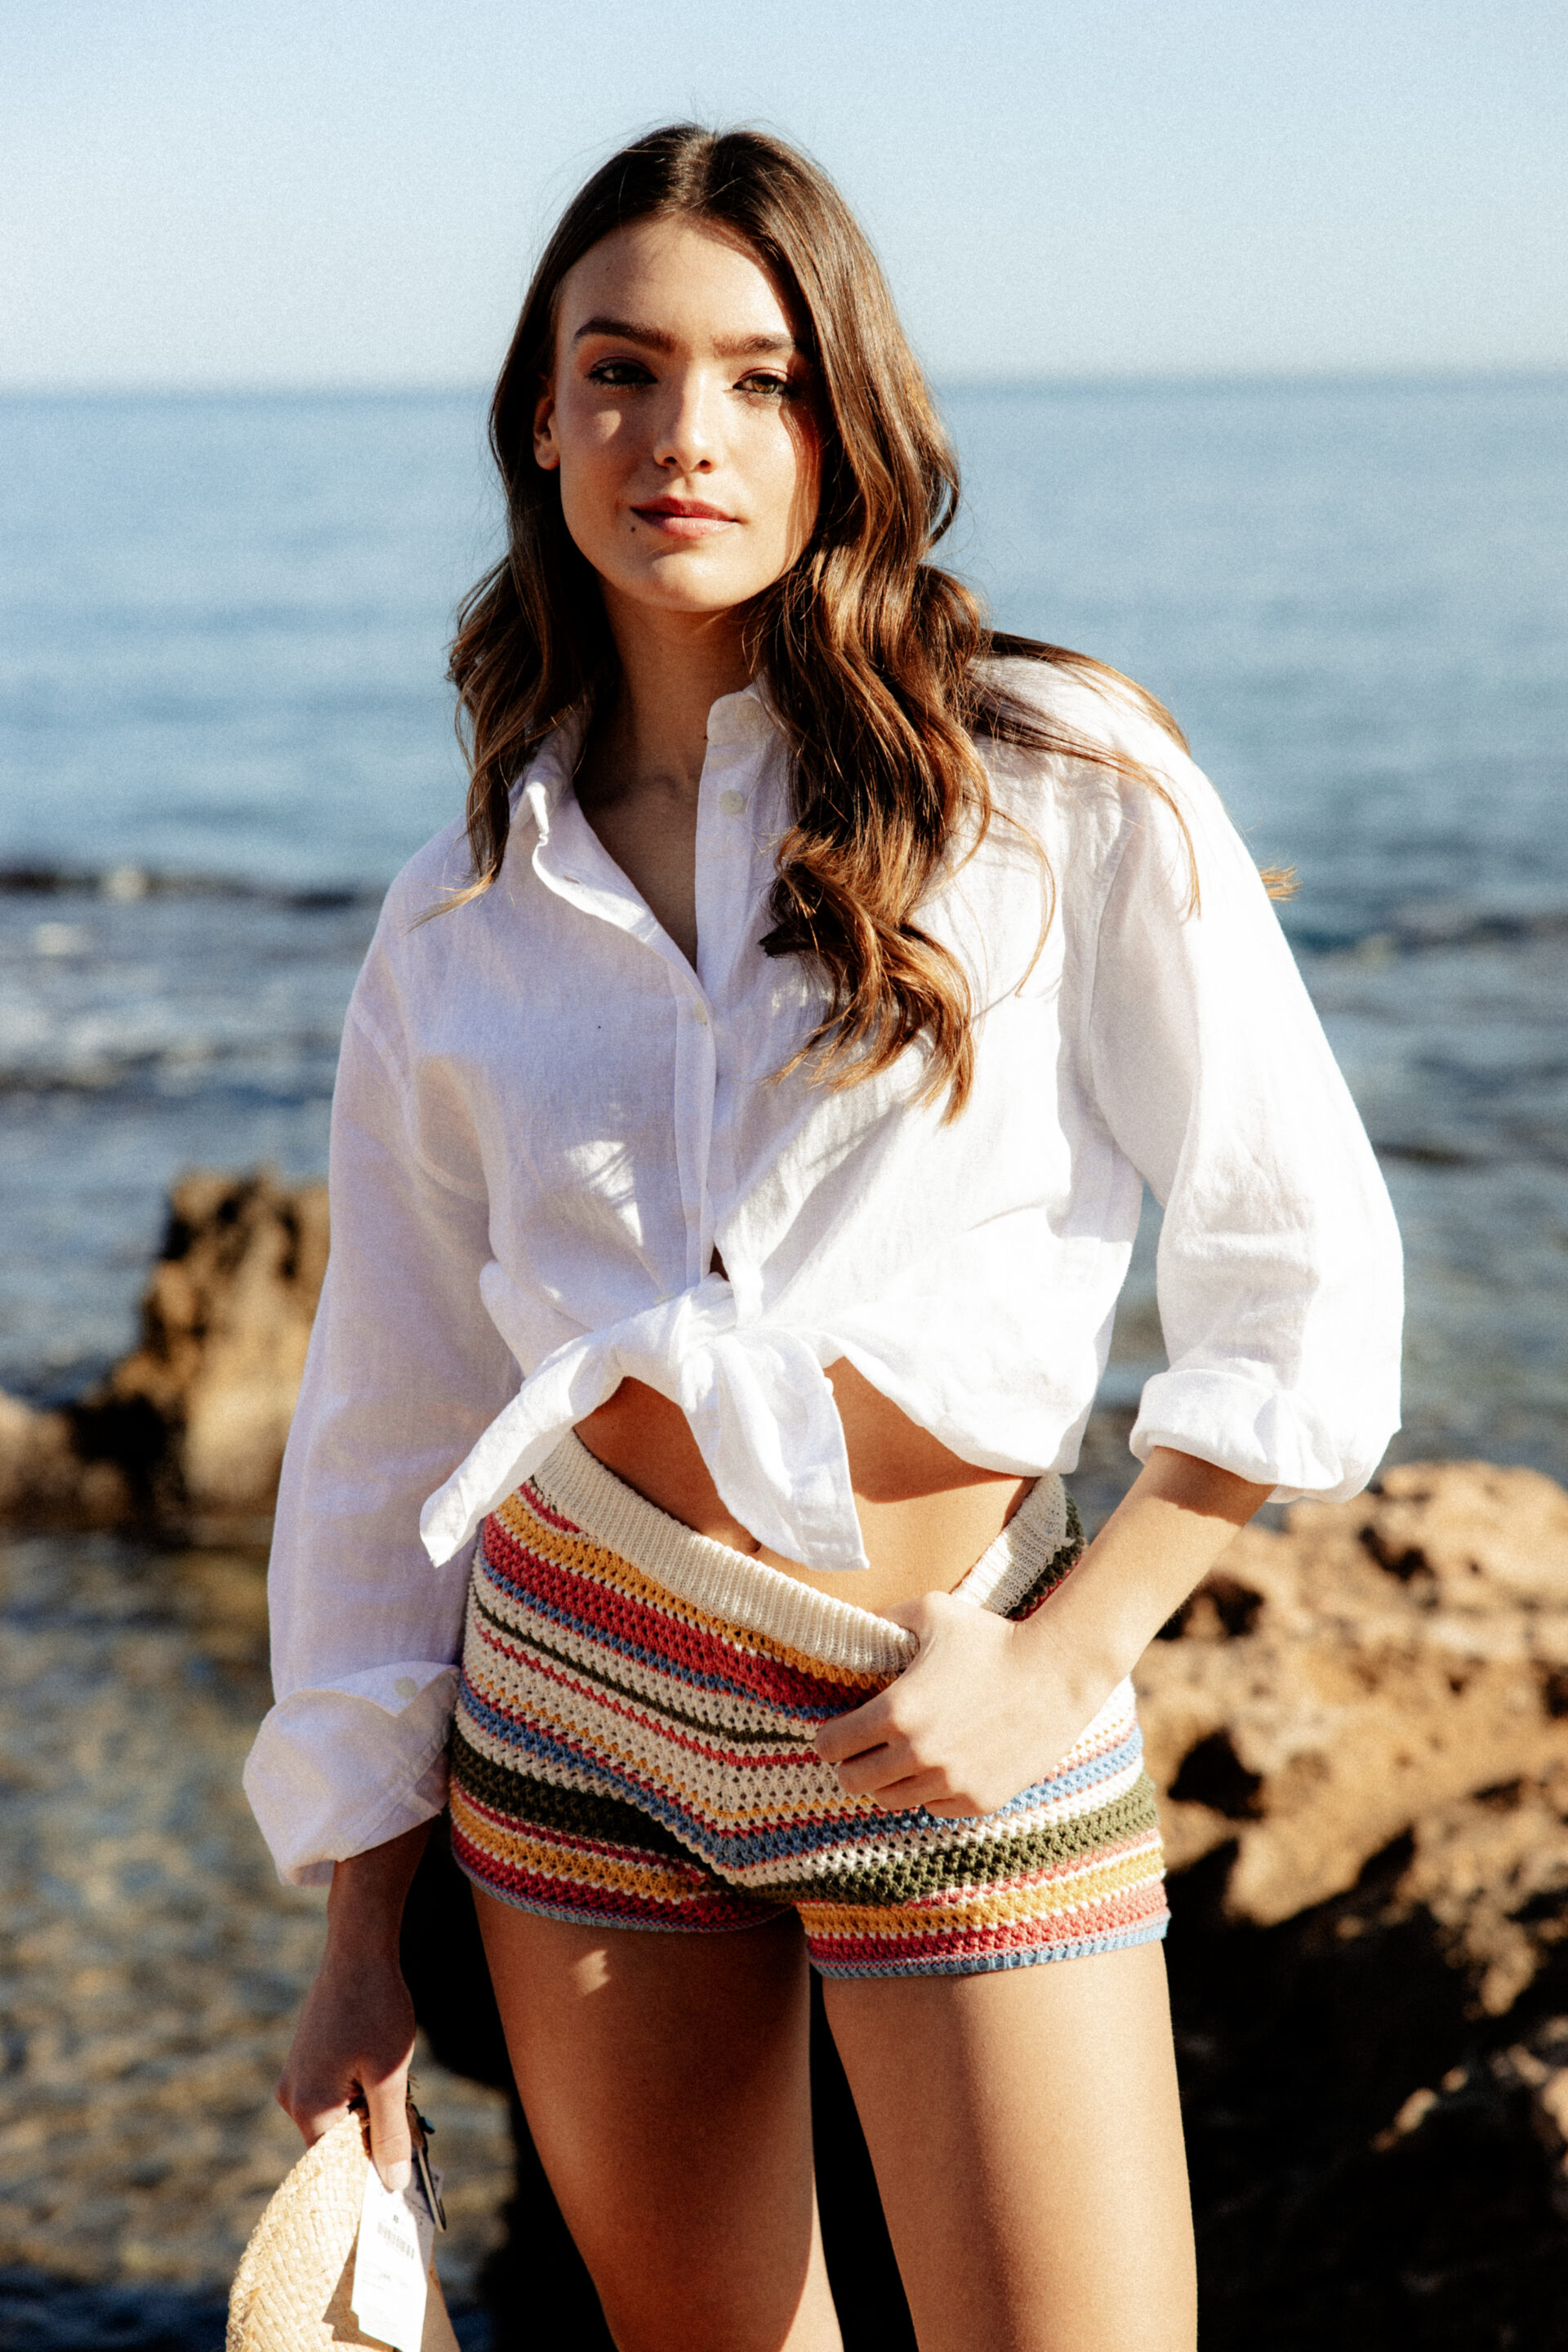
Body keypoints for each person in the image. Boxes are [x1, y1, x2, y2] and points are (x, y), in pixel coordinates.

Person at [245, 124, 1402, 2352]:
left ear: (847, 423)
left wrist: (1070, 1652)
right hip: (576, 1697)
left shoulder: (1057, 783)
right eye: (619, 371)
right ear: (541, 425)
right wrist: (359, 1937)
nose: (684, 433)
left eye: (760, 378)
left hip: (950, 1695)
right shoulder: (464, 910)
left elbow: (1297, 1267)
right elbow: (390, 1415)